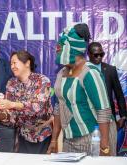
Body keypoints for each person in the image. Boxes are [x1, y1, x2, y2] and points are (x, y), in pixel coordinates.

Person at [47, 23, 116, 156]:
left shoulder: (90, 73)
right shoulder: (61, 73)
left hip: (95, 137)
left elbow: (104, 111)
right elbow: (58, 107)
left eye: (61, 47)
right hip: (71, 138)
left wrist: (105, 146)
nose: (57, 49)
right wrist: (54, 139)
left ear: (71, 49)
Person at [0, 50, 54, 154]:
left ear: (27, 63)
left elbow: (37, 108)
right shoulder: (11, 83)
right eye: (11, 64)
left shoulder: (42, 81)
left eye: (15, 63)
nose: (12, 66)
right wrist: (2, 114)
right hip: (22, 136)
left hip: (42, 135)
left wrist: (13, 104)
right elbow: (12, 116)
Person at [88, 42, 127, 128]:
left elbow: (119, 95)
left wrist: (123, 116)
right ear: (88, 54)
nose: (99, 57)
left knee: (109, 141)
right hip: (88, 118)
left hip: (108, 117)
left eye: (101, 54)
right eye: (96, 55)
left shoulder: (110, 70)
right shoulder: (83, 70)